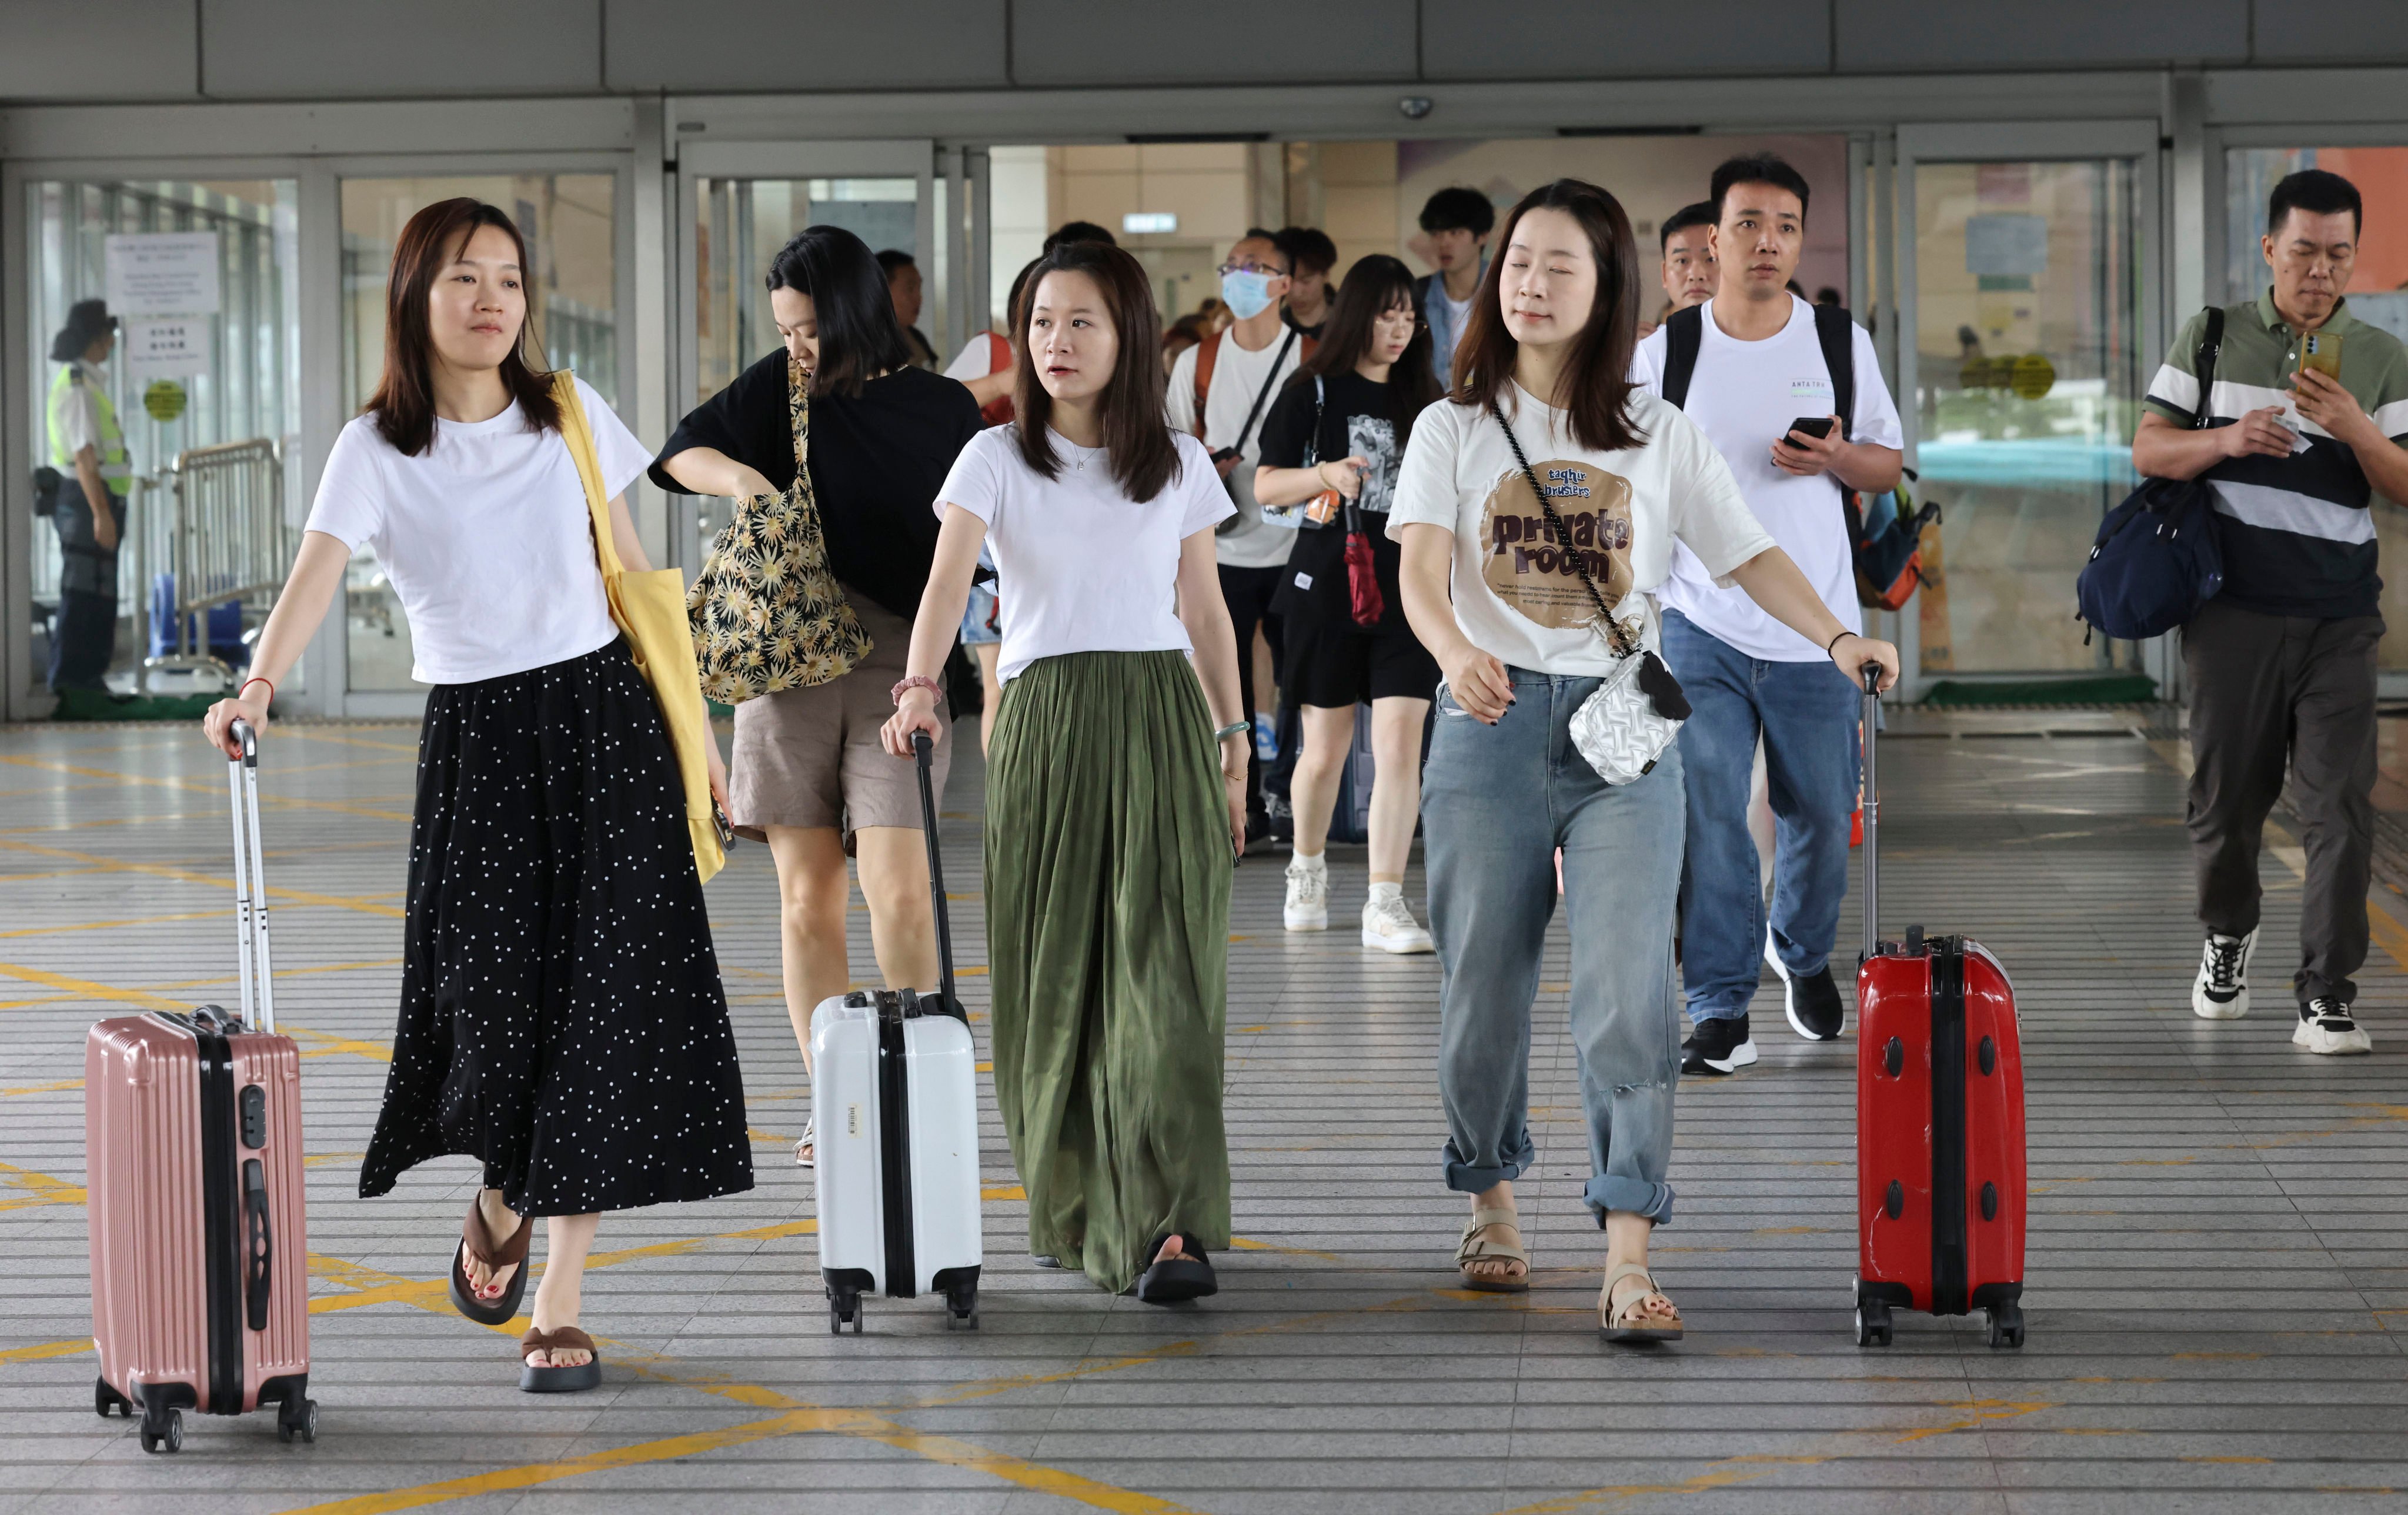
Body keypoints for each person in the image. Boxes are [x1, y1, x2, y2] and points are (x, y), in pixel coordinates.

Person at [198, 198, 751, 1391]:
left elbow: (634, 573)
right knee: (492, 1011)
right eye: (464, 277)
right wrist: (259, 684)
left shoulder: (567, 413)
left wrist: (695, 736)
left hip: (607, 720)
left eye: (508, 277)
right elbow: (313, 577)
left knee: (604, 1011)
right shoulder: (375, 449)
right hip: (479, 744)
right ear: (415, 297)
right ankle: (500, 1195)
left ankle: (559, 1302)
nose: (493, 298)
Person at [1388, 177, 1900, 1341]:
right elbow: (1421, 567)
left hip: (1623, 726)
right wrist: (1453, 646)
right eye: (1518, 262)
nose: (1529, 282)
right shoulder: (1451, 427)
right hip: (1487, 721)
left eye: (1558, 264)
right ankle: (1490, 1194)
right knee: (1483, 990)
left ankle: (1627, 1242)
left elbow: (1749, 552)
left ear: (1606, 284)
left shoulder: (1656, 434)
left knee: (1628, 991)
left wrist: (1836, 632)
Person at [881, 239, 1248, 1303]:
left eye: (1081, 320)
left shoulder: (1178, 460)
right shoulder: (992, 457)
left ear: (1127, 332)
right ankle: (1078, 1201)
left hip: (1160, 712)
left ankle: (1174, 1224)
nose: (1057, 342)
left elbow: (1208, 612)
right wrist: (918, 686)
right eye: (1041, 322)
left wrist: (1234, 746)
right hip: (1044, 717)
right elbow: (947, 583)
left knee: (1166, 974)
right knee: (1056, 980)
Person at [653, 225, 984, 1160]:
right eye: (784, 329)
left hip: (899, 666)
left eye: (805, 328)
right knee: (807, 900)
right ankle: (833, 1096)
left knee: (900, 893)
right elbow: (680, 453)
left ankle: (918, 1084)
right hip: (787, 663)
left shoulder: (941, 407)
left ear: (850, 313)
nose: (794, 345)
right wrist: (749, 481)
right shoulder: (779, 388)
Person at [1631, 153, 1905, 1077]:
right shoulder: (1664, 352)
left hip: (1815, 625)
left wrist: (1834, 457)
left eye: (1784, 225)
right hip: (1694, 619)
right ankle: (1716, 1005)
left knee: (1819, 814)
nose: (1766, 241)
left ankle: (1798, 950)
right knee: (1708, 810)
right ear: (1712, 238)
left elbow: (1884, 465)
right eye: (1747, 223)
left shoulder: (1835, 340)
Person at [2136, 168, 2408, 1056]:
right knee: (2223, 806)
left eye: (2337, 255)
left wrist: (2355, 427)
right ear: (2267, 250)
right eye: (2303, 252)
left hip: (2339, 618)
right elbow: (2147, 448)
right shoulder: (2210, 338)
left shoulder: (2379, 357)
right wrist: (2225, 438)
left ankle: (2325, 993)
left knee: (2338, 805)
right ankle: (2226, 931)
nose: (2319, 271)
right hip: (2229, 613)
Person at [1251, 254, 1442, 952]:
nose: (1400, 327)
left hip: (1411, 590)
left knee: (1399, 745)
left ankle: (1385, 899)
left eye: (1409, 315)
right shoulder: (1315, 389)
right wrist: (1324, 474)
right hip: (1328, 584)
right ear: (1359, 312)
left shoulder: (1427, 397)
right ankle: (1307, 869)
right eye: (1388, 313)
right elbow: (1265, 486)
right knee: (1325, 746)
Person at [1168, 229, 1310, 846]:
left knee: (1302, 679)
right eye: (1233, 266)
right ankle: (1242, 800)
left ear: (1286, 284)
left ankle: (1290, 792)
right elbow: (1169, 447)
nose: (1241, 276)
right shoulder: (1196, 360)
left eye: (1257, 267)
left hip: (1298, 543)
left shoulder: (1313, 358)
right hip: (1218, 548)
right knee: (1223, 679)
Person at [44, 299, 128, 694]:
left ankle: (89, 678)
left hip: (94, 499)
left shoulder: (88, 382)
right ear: (95, 339)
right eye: (108, 336)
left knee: (99, 589)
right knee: (82, 590)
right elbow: (84, 456)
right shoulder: (77, 386)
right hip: (85, 500)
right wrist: (101, 514)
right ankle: (68, 682)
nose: (112, 344)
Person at [1415, 187, 1495, 386]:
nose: (1444, 243)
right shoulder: (1418, 294)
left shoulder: (1503, 293)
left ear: (1483, 236)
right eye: (1436, 234)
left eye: (1455, 233)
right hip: (1430, 410)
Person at [877, 248, 941, 369]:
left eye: (919, 288)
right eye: (910, 289)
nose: (919, 298)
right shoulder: (871, 345)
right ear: (882, 291)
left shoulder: (917, 337)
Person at [1275, 225, 1340, 339]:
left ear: (1326, 275)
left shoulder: (1349, 325)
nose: (1296, 293)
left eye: (1306, 281)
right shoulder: (1275, 329)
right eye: (1288, 281)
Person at [1659, 201, 1718, 319]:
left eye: (1711, 259)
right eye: (1682, 261)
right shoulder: (1649, 337)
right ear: (1665, 274)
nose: (1695, 275)